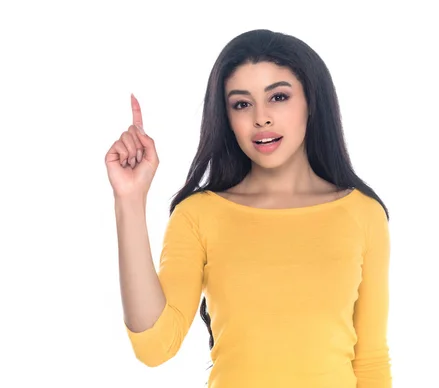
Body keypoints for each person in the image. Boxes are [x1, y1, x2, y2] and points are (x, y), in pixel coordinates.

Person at [105, 29, 392, 387]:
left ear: (311, 102)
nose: (261, 118)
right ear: (227, 118)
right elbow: (155, 347)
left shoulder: (363, 214)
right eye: (242, 103)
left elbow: (371, 363)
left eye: (279, 97)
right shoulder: (199, 215)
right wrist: (129, 200)